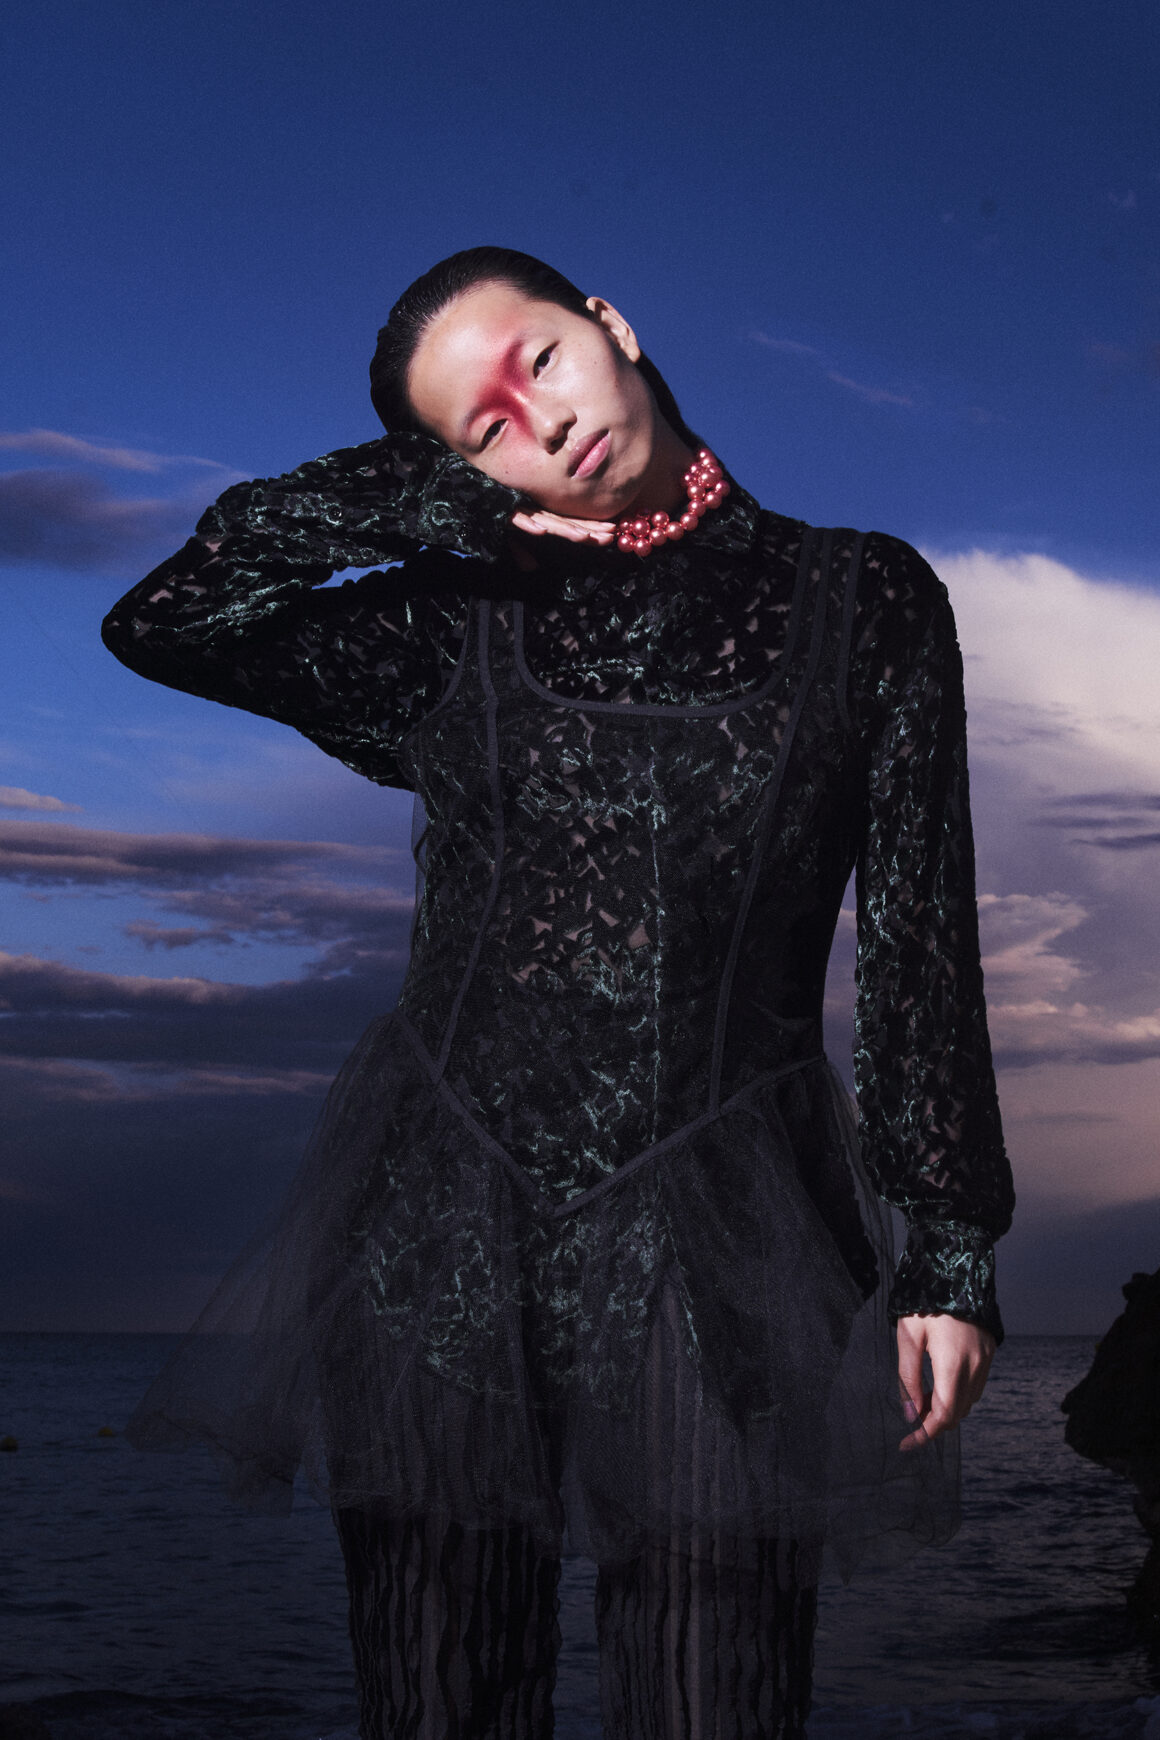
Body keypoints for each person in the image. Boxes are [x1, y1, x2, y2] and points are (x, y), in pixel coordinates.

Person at [102, 246, 1016, 1740]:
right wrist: (416, 499)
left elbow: (918, 926)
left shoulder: (868, 601)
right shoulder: (443, 617)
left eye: (539, 360)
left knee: (713, 1705)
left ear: (612, 324)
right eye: (484, 426)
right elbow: (162, 622)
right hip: (440, 1228)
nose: (543, 420)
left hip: (724, 1228)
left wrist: (952, 1247)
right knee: (441, 1704)